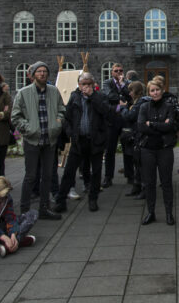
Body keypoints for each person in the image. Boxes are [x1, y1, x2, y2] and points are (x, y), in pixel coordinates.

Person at [11, 61, 65, 220]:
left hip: (49, 140)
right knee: (30, 176)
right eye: (39, 71)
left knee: (48, 175)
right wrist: (28, 128)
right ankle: (25, 210)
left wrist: (58, 123)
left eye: (44, 71)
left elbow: (62, 109)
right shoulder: (23, 93)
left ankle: (44, 208)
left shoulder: (54, 92)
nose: (42, 74)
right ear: (33, 74)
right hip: (32, 140)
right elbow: (15, 116)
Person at [53, 72, 110, 213]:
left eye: (89, 84)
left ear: (93, 85)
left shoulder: (100, 97)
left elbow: (107, 113)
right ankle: (61, 200)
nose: (86, 87)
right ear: (79, 85)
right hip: (79, 140)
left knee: (96, 172)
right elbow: (67, 117)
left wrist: (92, 97)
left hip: (95, 140)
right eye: (83, 84)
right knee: (69, 171)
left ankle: (93, 199)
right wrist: (71, 132)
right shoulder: (74, 97)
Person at [137, 78, 177, 225]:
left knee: (166, 182)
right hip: (147, 149)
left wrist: (152, 124)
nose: (155, 93)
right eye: (152, 91)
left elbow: (171, 126)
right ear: (149, 93)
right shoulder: (144, 107)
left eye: (157, 89)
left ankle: (168, 213)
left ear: (162, 90)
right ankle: (151, 212)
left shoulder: (169, 106)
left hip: (164, 148)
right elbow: (141, 127)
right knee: (149, 182)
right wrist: (160, 126)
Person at [102, 63, 132, 188]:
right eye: (116, 70)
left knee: (128, 148)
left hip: (125, 120)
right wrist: (120, 101)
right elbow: (109, 95)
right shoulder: (107, 83)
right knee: (110, 150)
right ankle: (108, 177)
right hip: (112, 120)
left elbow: (131, 96)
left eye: (121, 70)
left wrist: (122, 85)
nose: (119, 72)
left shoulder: (128, 83)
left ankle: (130, 175)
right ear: (112, 72)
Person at [120, 81, 149, 197]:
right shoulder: (138, 102)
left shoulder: (140, 103)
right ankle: (137, 187)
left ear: (136, 91)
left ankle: (143, 188)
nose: (130, 93)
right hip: (137, 135)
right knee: (137, 163)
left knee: (140, 164)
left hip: (139, 136)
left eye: (131, 91)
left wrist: (123, 108)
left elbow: (130, 116)